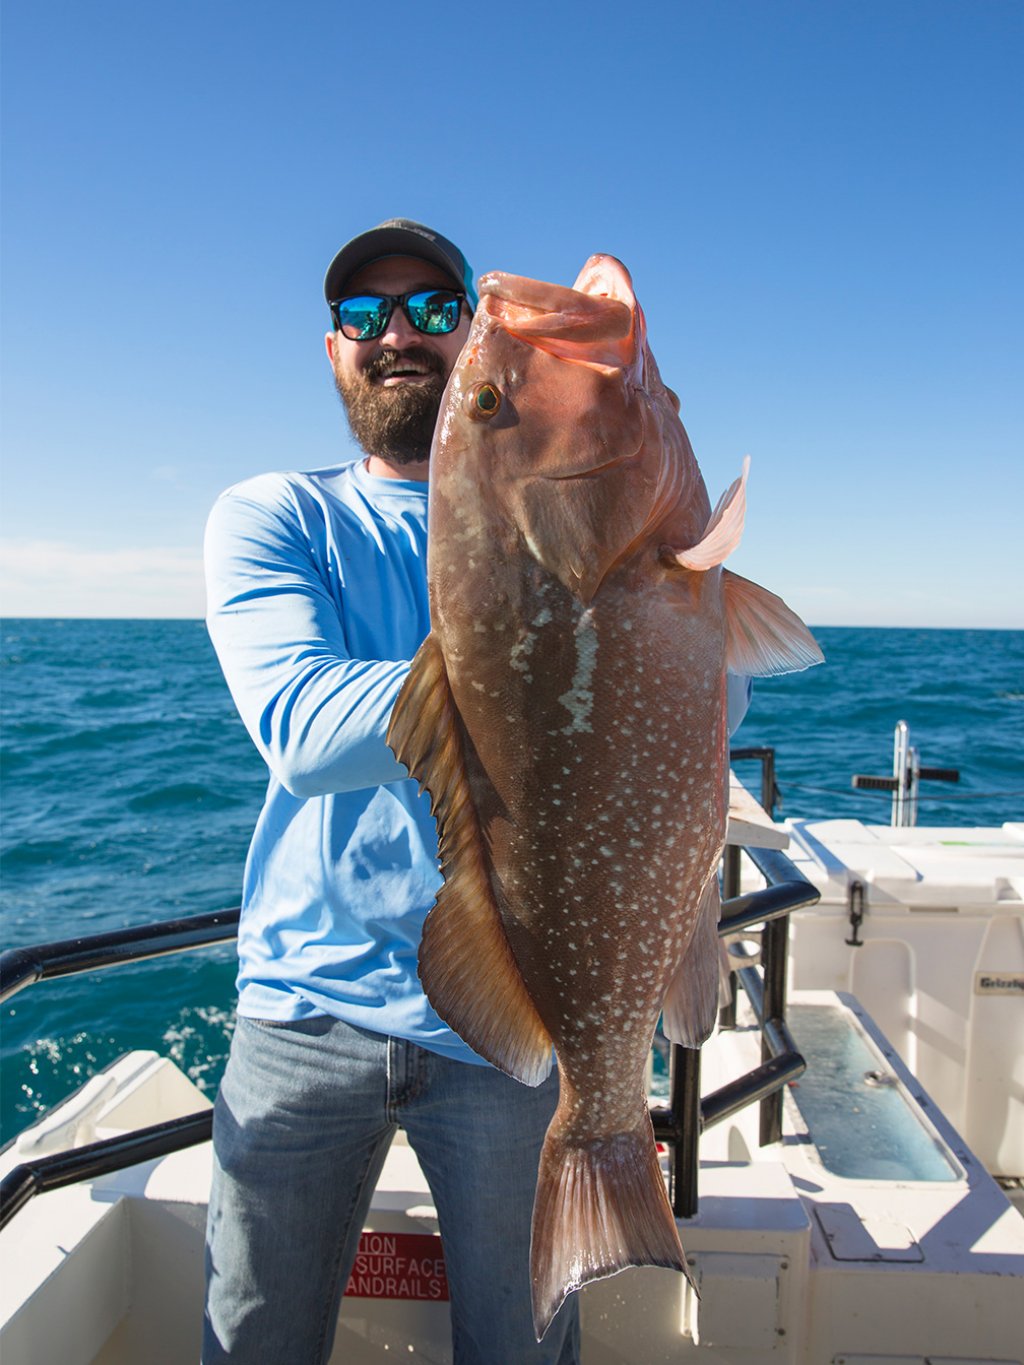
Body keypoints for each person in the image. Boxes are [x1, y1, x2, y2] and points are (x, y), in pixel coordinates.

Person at [201, 220, 582, 1364]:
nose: (397, 334)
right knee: (251, 1340)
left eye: (429, 307)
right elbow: (304, 732)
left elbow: (700, 704)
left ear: (474, 339)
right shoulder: (279, 516)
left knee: (525, 1351)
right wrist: (551, 662)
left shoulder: (554, 518)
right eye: (364, 317)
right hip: (303, 1013)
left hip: (515, 1013)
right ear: (333, 353)